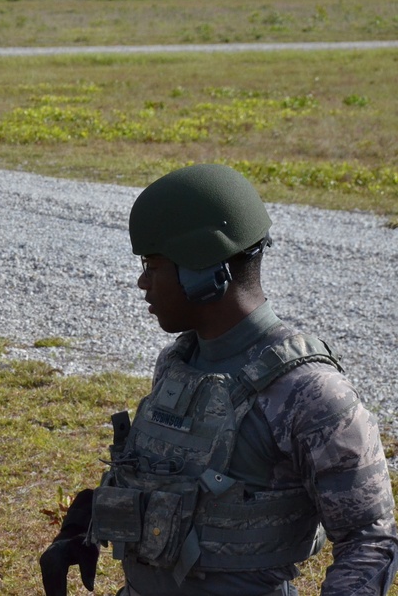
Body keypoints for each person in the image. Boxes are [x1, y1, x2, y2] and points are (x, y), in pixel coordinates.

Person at [39, 163, 398, 596]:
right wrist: (84, 523)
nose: (141, 282)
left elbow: (369, 539)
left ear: (203, 273)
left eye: (153, 265)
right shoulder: (179, 361)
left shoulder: (311, 393)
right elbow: (174, 484)